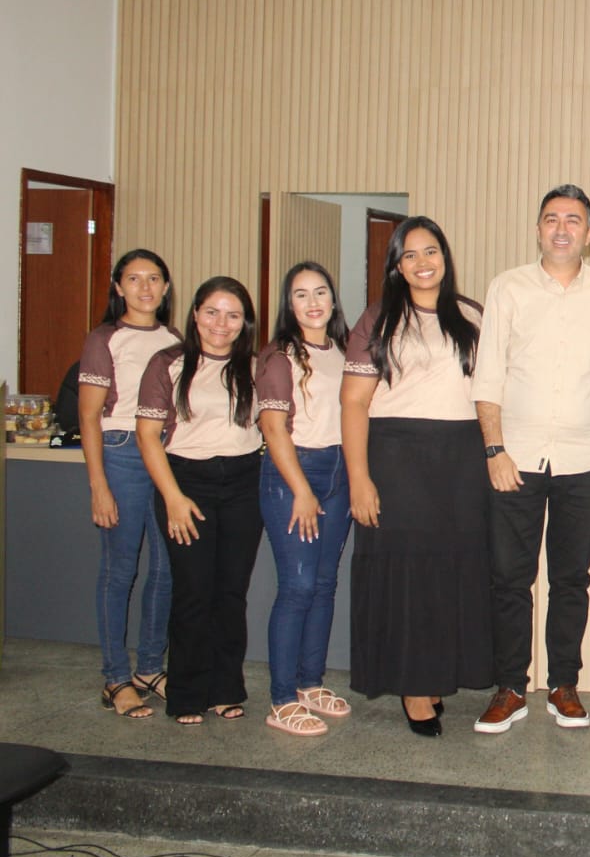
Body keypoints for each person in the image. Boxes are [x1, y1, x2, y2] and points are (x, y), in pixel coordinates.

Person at [472, 184, 590, 735]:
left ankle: (564, 684)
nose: (562, 228)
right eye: (551, 219)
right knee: (509, 580)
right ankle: (510, 687)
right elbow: (488, 375)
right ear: (538, 229)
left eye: (573, 220)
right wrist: (494, 449)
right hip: (515, 459)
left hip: (584, 460)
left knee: (571, 579)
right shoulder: (508, 288)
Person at [342, 217, 492, 737]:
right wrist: (359, 478)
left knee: (450, 570)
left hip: (461, 459)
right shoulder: (379, 317)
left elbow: (491, 390)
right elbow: (353, 402)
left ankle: (437, 673)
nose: (423, 262)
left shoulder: (472, 314)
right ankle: (413, 685)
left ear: (445, 257)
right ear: (397, 267)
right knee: (407, 574)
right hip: (397, 456)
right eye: (410, 255)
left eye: (431, 251)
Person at [135, 277, 263, 725]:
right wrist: (172, 497)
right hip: (186, 482)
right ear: (194, 314)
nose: (221, 323)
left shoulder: (257, 366)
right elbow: (147, 435)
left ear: (245, 322)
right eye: (211, 312)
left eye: (233, 315)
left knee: (231, 594)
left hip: (244, 483)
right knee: (193, 593)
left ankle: (226, 689)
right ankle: (186, 694)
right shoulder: (167, 363)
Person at [78, 249, 180, 718]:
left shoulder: (175, 338)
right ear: (119, 288)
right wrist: (98, 484)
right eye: (134, 279)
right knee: (120, 570)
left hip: (167, 454)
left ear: (165, 286)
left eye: (153, 278)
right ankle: (115, 677)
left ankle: (150, 668)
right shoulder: (105, 338)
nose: (145, 287)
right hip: (121, 453)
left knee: (166, 568)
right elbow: (88, 416)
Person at [255, 262, 353, 736]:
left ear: (333, 299)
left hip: (340, 472)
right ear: (288, 304)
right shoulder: (279, 356)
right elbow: (273, 429)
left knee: (324, 584)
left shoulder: (345, 350)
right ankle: (281, 699)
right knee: (297, 586)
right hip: (295, 473)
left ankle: (309, 684)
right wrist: (300, 490)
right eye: (301, 294)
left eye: (320, 292)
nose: (313, 302)